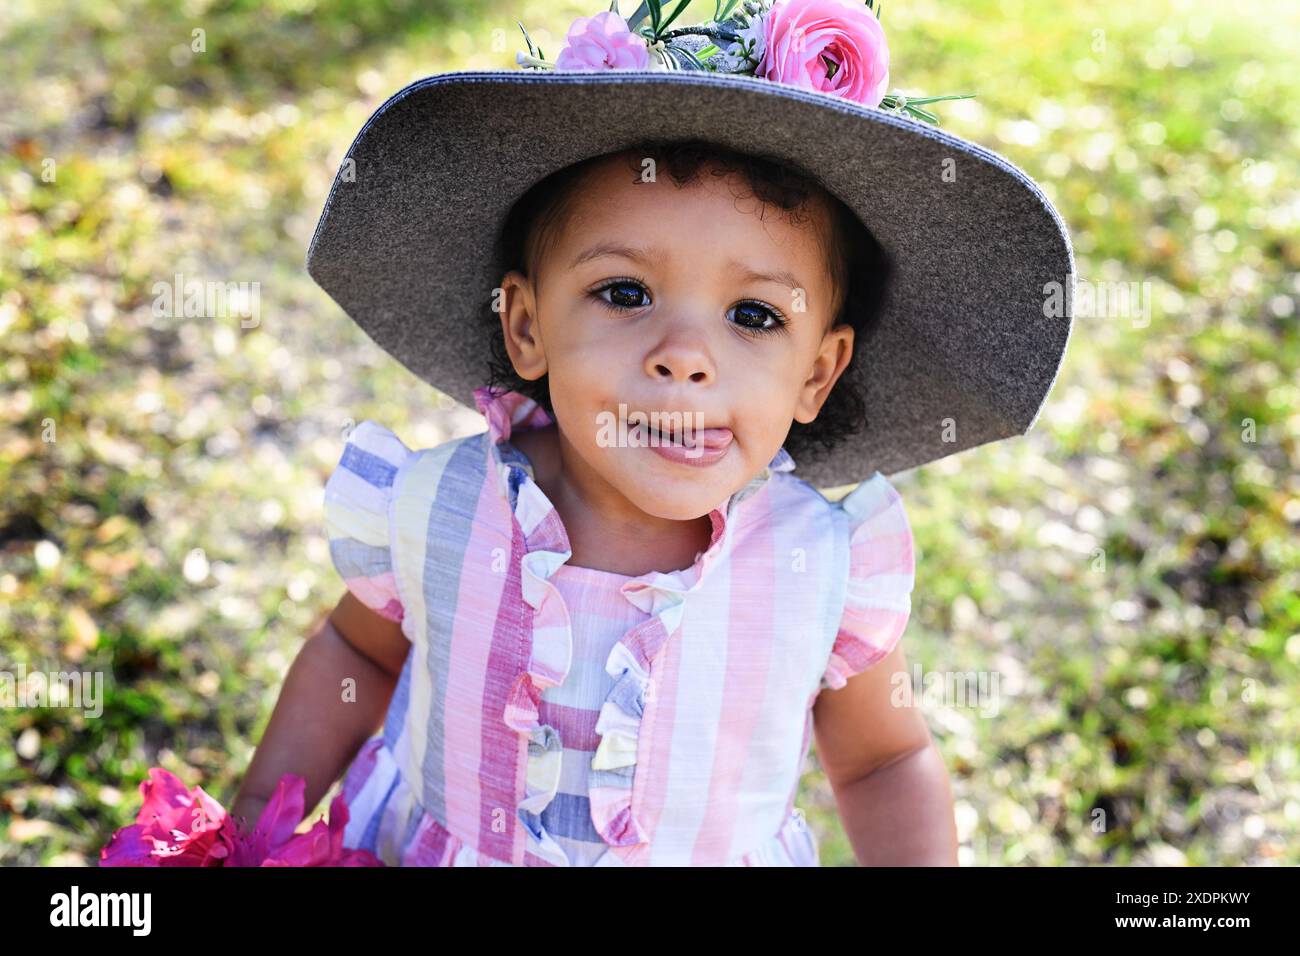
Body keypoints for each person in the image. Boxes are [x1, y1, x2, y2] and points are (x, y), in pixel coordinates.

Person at [232, 0, 1073, 866]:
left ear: (818, 373)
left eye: (753, 314)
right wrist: (254, 820)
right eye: (626, 293)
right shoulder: (436, 506)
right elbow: (356, 655)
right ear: (524, 325)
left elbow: (885, 758)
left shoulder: (820, 567)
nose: (684, 358)